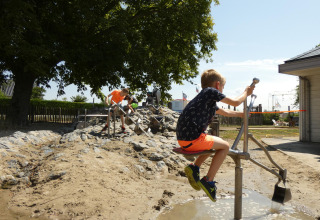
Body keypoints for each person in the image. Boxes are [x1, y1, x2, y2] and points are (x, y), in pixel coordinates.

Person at [176, 69, 255, 202]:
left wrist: (242, 114)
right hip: (193, 139)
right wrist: (246, 92)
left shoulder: (205, 100)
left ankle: (194, 167)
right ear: (218, 85)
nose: (222, 90)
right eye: (223, 87)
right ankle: (208, 180)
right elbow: (235, 102)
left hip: (183, 139)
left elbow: (226, 112)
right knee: (224, 147)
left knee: (214, 140)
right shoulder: (210, 91)